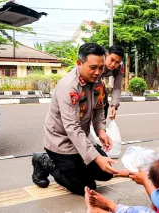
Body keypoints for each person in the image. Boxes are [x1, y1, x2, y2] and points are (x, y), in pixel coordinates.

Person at [31, 43, 119, 196]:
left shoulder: (97, 82)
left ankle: (76, 167)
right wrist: (96, 157)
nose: (98, 72)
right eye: (93, 67)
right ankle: (45, 161)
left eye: (101, 67)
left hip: (81, 139)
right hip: (61, 142)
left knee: (107, 173)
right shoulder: (69, 87)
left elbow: (99, 109)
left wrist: (101, 131)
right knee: (86, 188)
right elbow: (72, 127)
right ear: (79, 63)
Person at [102, 46, 125, 120]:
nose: (113, 64)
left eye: (117, 62)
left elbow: (117, 87)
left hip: (99, 86)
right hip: (89, 83)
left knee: (104, 104)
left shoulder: (120, 67)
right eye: (112, 60)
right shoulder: (98, 59)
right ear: (106, 55)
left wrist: (114, 105)